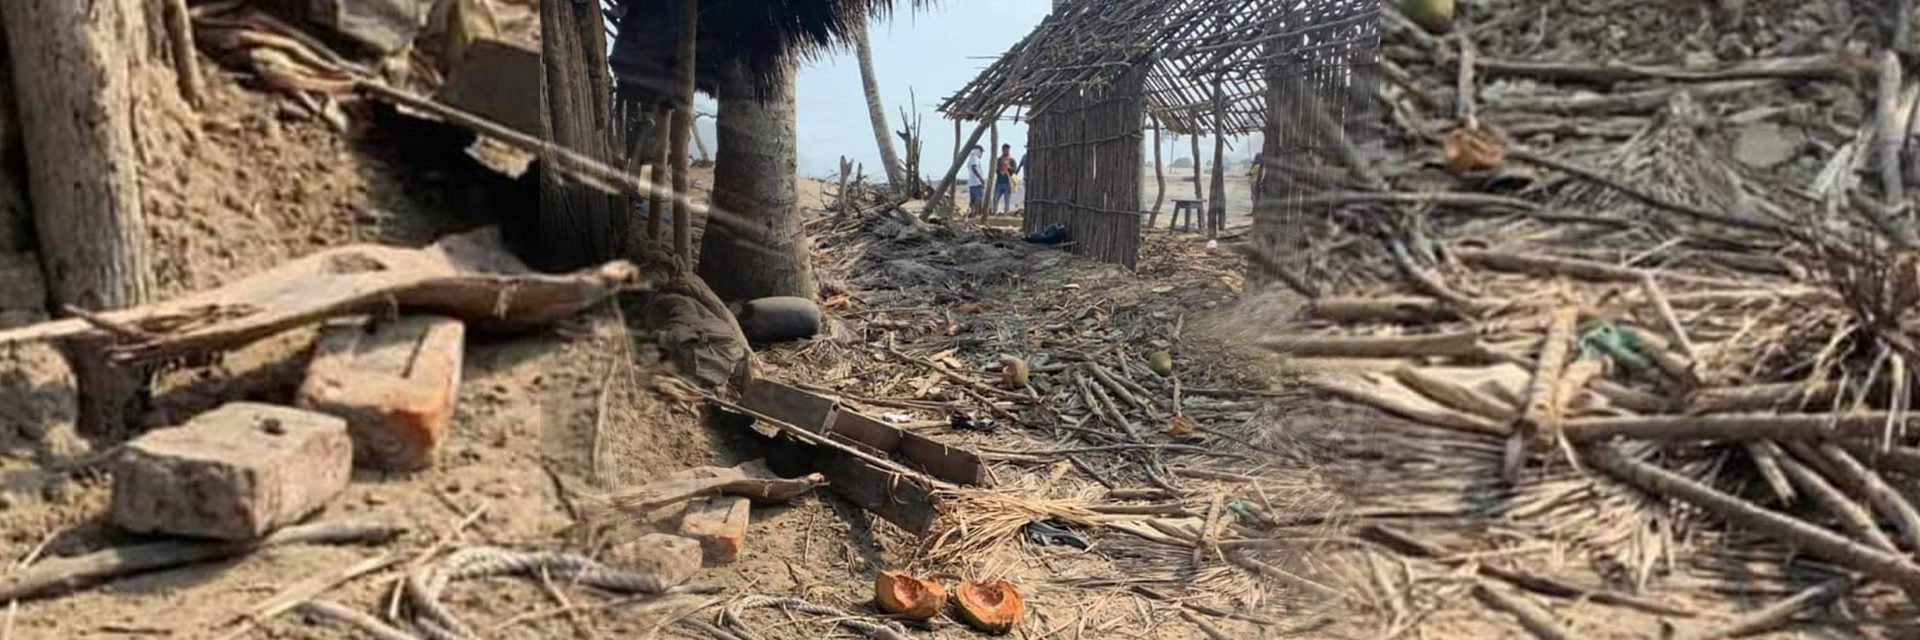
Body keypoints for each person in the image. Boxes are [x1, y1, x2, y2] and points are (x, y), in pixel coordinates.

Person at [994, 144, 1018, 214]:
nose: (1005, 151)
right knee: (995, 198)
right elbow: (995, 170)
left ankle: (1006, 213)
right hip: (999, 182)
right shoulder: (998, 160)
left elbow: (1015, 170)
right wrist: (1000, 167)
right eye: (1004, 150)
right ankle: (994, 212)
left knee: (1007, 200)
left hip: (1008, 183)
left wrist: (1008, 167)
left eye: (1007, 150)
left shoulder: (1012, 160)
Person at [965, 145, 986, 212]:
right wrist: (981, 179)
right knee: (978, 198)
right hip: (976, 182)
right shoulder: (974, 158)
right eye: (981, 152)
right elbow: (974, 168)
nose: (982, 154)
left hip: (972, 183)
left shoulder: (972, 157)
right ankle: (976, 212)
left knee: (973, 199)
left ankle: (972, 212)